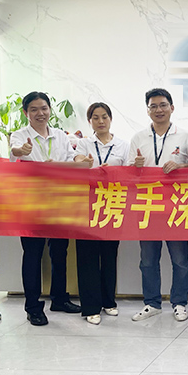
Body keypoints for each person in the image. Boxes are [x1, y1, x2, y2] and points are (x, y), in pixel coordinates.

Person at [9, 91, 85, 326]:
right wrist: (21, 151)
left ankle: (59, 298)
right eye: (34, 109)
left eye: (43, 108)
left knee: (59, 251)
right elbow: (14, 152)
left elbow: (72, 158)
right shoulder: (19, 135)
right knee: (32, 254)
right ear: (26, 113)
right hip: (31, 203)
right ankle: (33, 307)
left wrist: (79, 161)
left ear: (50, 110)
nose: (40, 113)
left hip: (59, 200)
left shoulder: (60, 135)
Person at [126, 88, 188, 323]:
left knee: (180, 259)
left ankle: (180, 303)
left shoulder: (185, 136)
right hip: (148, 206)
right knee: (148, 259)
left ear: (172, 108)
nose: (159, 110)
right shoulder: (138, 138)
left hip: (177, 205)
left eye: (163, 105)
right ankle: (152, 303)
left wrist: (180, 166)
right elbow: (127, 173)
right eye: (153, 106)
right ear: (147, 110)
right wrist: (135, 166)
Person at [73, 102, 129, 325]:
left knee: (109, 255)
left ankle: (108, 301)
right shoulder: (83, 144)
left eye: (104, 116)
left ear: (110, 119)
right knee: (87, 257)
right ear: (90, 121)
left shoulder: (122, 145)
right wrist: (84, 163)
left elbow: (129, 173)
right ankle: (90, 307)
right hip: (86, 206)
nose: (101, 121)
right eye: (95, 117)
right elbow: (76, 162)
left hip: (112, 205)